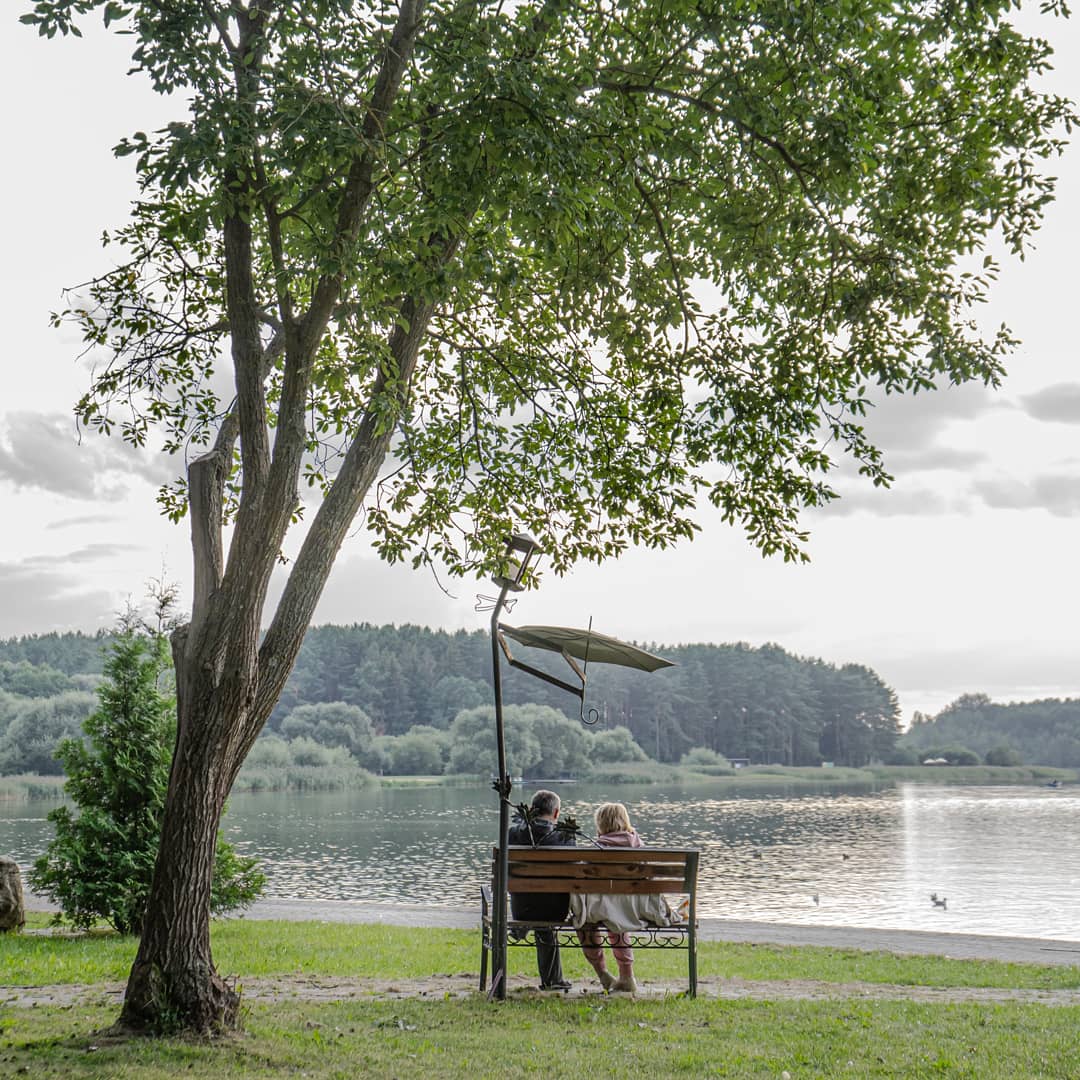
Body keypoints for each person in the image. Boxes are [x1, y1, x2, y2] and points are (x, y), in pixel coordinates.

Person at [571, 802, 672, 994]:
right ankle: (627, 976)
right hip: (633, 910)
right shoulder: (639, 846)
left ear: (600, 824)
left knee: (591, 919)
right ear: (625, 821)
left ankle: (602, 974)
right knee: (617, 917)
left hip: (600, 910)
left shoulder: (594, 850)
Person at [507, 789, 576, 990]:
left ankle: (520, 928)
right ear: (556, 813)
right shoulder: (565, 837)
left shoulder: (514, 833)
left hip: (522, 909)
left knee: (534, 902)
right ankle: (553, 981)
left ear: (531, 809)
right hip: (556, 910)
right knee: (545, 910)